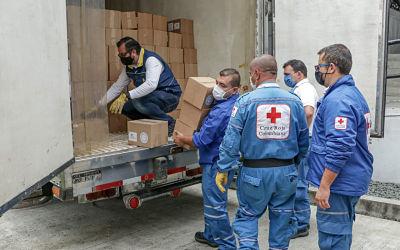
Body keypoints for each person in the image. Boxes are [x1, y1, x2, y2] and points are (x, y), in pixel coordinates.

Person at [215, 55, 309, 250]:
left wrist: (223, 168)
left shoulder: (244, 102)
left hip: (253, 175)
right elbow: (303, 141)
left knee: (248, 218)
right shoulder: (294, 102)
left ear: (256, 73)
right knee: (282, 221)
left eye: (250, 74)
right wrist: (294, 164)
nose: (251, 77)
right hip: (286, 173)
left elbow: (231, 141)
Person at [307, 44, 373, 250]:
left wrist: (325, 185)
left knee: (333, 238)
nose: (317, 71)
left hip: (338, 184)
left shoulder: (339, 100)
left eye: (320, 66)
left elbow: (340, 147)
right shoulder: (349, 93)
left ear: (332, 67)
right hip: (346, 178)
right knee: (339, 233)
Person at [174, 68, 241, 250]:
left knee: (214, 205)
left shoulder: (221, 111)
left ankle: (227, 244)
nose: (216, 88)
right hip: (227, 161)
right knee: (215, 199)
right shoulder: (237, 102)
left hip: (215, 163)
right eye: (216, 83)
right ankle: (211, 234)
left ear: (234, 89)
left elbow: (201, 140)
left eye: (222, 85)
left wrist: (182, 139)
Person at [106, 37, 182, 135]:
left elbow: (151, 85)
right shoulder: (129, 68)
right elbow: (117, 87)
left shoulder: (151, 60)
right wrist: (99, 105)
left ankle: (170, 123)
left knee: (139, 101)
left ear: (133, 52)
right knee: (124, 107)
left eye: (123, 54)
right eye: (119, 55)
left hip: (169, 96)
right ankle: (151, 125)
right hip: (150, 98)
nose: (121, 57)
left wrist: (128, 95)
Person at [282, 59, 319, 238]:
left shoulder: (305, 89)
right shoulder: (298, 89)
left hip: (303, 141)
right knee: (296, 181)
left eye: (287, 74)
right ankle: (297, 219)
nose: (285, 78)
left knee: (299, 183)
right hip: (301, 140)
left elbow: (308, 112)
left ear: (299, 73)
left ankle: (302, 224)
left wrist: (299, 136)